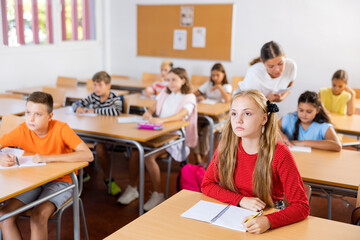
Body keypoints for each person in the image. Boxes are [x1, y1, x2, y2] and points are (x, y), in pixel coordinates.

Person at [201, 90, 310, 234]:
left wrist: (268, 221)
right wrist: (241, 200)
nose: (238, 120)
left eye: (247, 113)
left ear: (264, 119)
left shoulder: (280, 153)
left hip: (269, 215)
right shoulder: (225, 147)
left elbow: (301, 206)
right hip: (234, 214)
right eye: (234, 113)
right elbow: (207, 184)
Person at [0, 92, 93, 240]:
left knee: (38, 217)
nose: (31, 119)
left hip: (62, 181)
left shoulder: (61, 129)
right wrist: (1, 157)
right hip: (33, 180)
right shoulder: (23, 129)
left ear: (50, 116)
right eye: (28, 112)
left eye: (38, 114)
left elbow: (88, 155)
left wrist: (47, 158)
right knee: (4, 216)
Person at [118, 67, 198, 211]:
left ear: (183, 80)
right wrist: (148, 113)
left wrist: (163, 120)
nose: (170, 83)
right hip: (158, 131)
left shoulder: (189, 97)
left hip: (174, 135)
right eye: (168, 80)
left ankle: (158, 194)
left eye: (174, 79)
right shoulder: (164, 93)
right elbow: (153, 108)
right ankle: (132, 188)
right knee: (136, 152)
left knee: (148, 157)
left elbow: (181, 115)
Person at [73, 71, 124, 195]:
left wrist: (93, 109)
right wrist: (78, 108)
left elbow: (116, 111)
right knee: (72, 142)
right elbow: (76, 103)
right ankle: (83, 174)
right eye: (94, 85)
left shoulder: (114, 98)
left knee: (100, 148)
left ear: (108, 86)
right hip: (93, 132)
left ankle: (108, 179)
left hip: (108, 135)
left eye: (100, 85)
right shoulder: (93, 96)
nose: (96, 88)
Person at [193, 63, 232, 164]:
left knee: (207, 130)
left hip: (218, 116)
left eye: (217, 75)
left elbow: (228, 99)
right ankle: (198, 158)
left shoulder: (226, 86)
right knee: (194, 127)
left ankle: (202, 156)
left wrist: (219, 87)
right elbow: (194, 94)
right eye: (213, 75)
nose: (214, 78)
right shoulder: (208, 84)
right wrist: (201, 97)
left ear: (223, 74)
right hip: (207, 114)